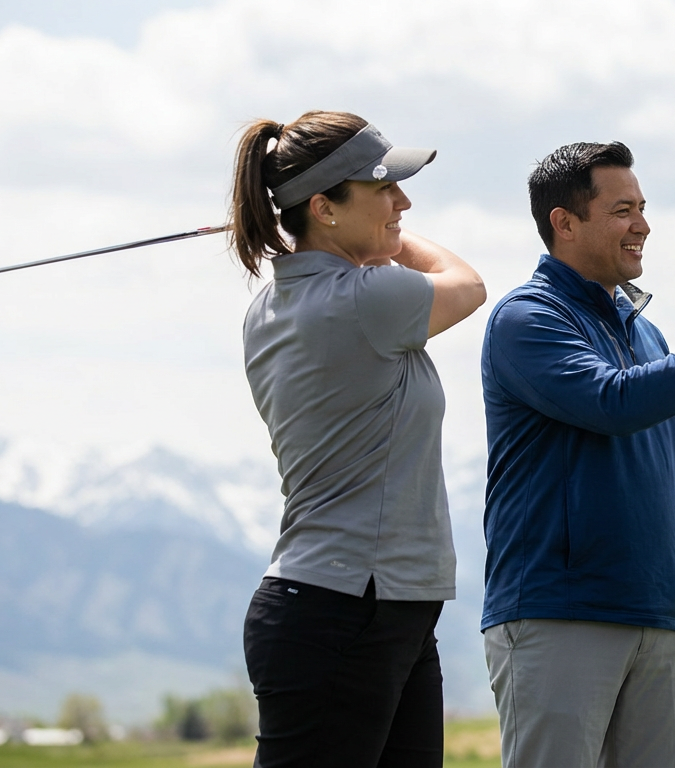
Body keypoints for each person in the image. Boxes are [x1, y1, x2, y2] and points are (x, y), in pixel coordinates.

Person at [480, 141, 675, 767]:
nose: (643, 225)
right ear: (564, 223)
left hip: (652, 614)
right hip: (557, 614)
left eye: (643, 207)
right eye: (623, 210)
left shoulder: (646, 333)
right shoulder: (528, 319)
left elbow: (672, 473)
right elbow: (612, 403)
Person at [229, 110, 486, 767]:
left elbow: (339, 257)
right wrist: (396, 237)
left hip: (371, 607)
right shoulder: (366, 299)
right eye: (385, 190)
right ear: (324, 207)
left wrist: (370, 227)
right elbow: (468, 284)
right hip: (348, 609)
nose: (403, 202)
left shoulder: (273, 303)